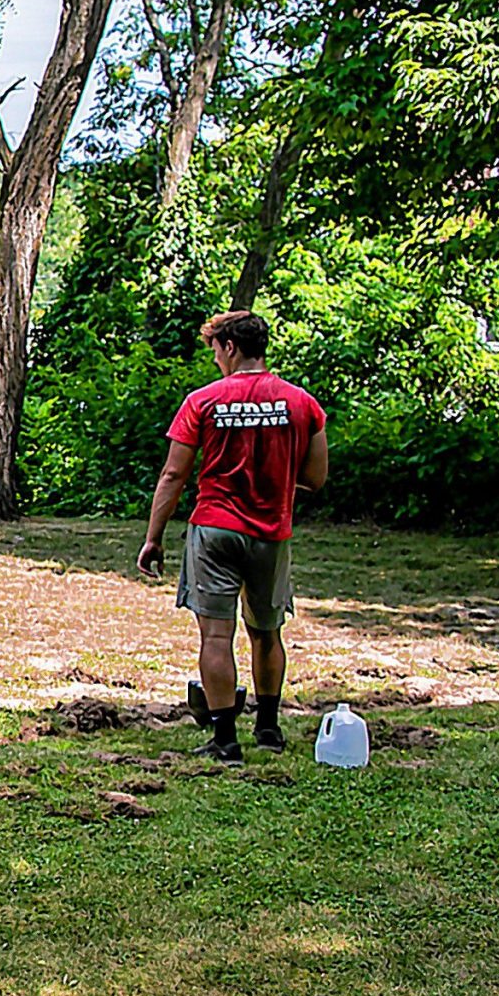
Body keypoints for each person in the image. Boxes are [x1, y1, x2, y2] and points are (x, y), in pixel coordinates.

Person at [138, 310, 330, 762]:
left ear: (229, 347)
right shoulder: (301, 403)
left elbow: (173, 474)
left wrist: (154, 537)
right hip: (271, 531)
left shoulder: (203, 401)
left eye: (216, 352)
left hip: (216, 528)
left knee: (216, 637)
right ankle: (268, 728)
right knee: (267, 631)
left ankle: (225, 740)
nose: (216, 361)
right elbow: (317, 477)